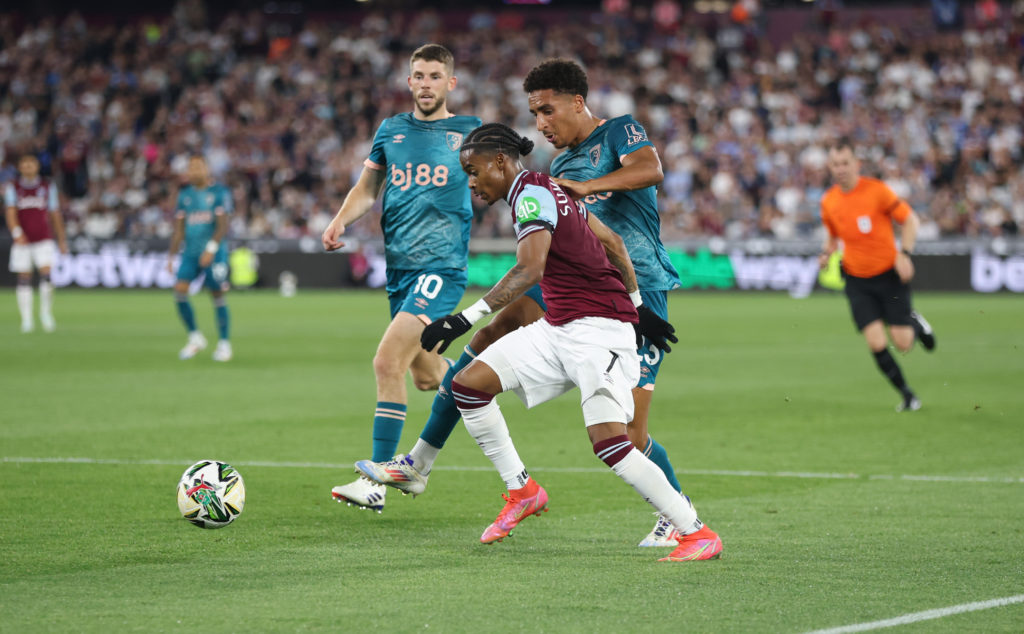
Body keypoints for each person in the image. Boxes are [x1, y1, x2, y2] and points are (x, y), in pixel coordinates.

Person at [356, 59, 690, 548]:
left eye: (548, 111)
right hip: (568, 286)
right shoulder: (555, 168)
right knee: (485, 340)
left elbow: (649, 170)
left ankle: (679, 515)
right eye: (535, 114)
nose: (541, 124)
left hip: (635, 291)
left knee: (630, 435)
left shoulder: (620, 132)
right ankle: (418, 462)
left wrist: (585, 189)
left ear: (578, 102)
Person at [420, 122, 721, 562]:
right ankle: (521, 489)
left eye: (474, 169)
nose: (471, 180)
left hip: (598, 332)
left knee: (612, 444)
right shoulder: (548, 188)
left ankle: (696, 533)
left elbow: (530, 270)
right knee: (468, 384)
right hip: (560, 328)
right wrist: (638, 306)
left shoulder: (532, 194)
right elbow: (613, 243)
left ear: (500, 161)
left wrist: (461, 319)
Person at [322, 44, 482, 512]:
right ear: (409, 82)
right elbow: (368, 187)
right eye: (419, 75)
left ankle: (375, 480)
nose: (426, 83)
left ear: (451, 83)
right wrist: (339, 221)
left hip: (441, 267)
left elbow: (500, 178)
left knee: (386, 361)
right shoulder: (390, 131)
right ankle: (478, 381)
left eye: (436, 75)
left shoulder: (469, 133)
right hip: (401, 272)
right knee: (429, 377)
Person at [819, 138, 936, 412]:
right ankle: (908, 396)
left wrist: (905, 253)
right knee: (875, 341)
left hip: (888, 275)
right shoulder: (829, 201)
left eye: (845, 162)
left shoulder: (877, 191)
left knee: (904, 343)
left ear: (856, 164)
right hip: (857, 279)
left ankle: (914, 321)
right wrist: (826, 254)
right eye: (835, 164)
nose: (840, 169)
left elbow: (909, 220)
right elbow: (832, 237)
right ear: (830, 167)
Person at [166, 155, 234, 362]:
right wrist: (171, 256)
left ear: (207, 169)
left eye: (198, 167)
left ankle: (224, 344)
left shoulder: (219, 193)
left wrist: (211, 249)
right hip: (190, 253)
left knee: (216, 295)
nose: (194, 171)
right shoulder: (184, 195)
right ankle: (195, 337)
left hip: (215, 253)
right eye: (191, 168)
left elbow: (223, 226)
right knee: (179, 291)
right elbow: (178, 231)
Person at [5, 154, 68, 333]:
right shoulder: (14, 188)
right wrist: (17, 233)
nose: (28, 167)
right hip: (23, 241)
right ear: (20, 167)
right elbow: (11, 213)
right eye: (24, 164)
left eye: (31, 164)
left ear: (37, 166)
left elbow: (55, 213)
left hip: (44, 238)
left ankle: (46, 314)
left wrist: (62, 239)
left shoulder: (47, 187)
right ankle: (26, 319)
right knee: (24, 278)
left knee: (46, 275)